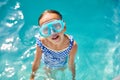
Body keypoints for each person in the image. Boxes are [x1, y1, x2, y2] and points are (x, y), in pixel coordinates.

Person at [30, 9, 78, 80]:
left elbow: (71, 64)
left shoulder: (72, 45)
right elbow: (36, 62)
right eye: (46, 29)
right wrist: (32, 77)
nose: (52, 32)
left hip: (62, 65)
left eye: (56, 25)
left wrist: (73, 77)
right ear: (42, 33)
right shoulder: (41, 42)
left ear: (64, 26)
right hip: (47, 65)